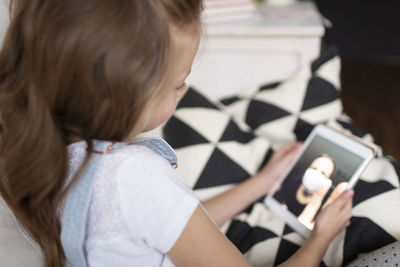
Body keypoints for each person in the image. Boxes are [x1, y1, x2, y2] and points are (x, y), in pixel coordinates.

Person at [0, 0, 354, 266]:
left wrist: (261, 183)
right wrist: (319, 239)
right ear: (124, 97)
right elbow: (156, 209)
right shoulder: (136, 175)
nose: (184, 92)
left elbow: (168, 226)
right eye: (178, 85)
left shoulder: (35, 153)